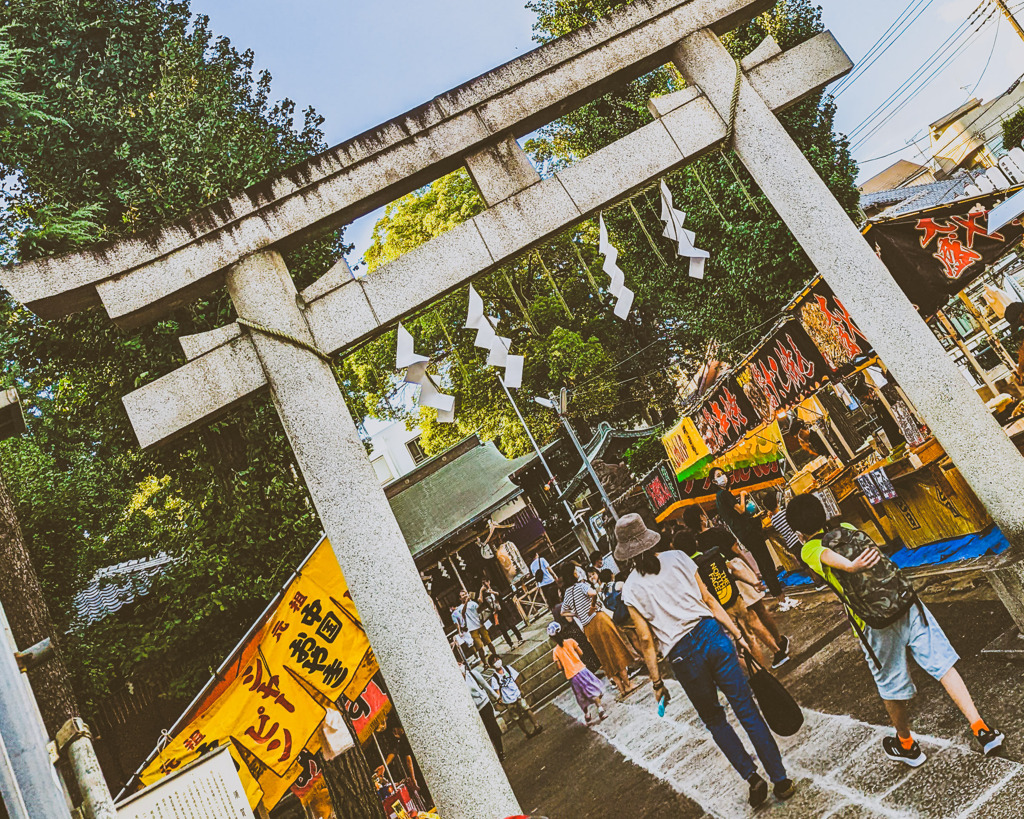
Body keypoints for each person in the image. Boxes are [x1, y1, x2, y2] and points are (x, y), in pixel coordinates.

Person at [786, 493, 1005, 764]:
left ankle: (906, 744)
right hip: (905, 602)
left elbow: (826, 555)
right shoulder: (848, 529)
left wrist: (850, 567)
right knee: (942, 664)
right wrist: (854, 563)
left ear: (798, 530)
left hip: (873, 624)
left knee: (890, 682)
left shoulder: (808, 549)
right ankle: (981, 729)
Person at [615, 513, 796, 808]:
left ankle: (752, 777)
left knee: (714, 720)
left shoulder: (632, 588)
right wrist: (736, 632)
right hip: (711, 633)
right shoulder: (677, 558)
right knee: (746, 708)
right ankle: (781, 780)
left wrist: (656, 681)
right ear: (648, 536)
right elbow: (710, 600)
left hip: (682, 655)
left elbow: (646, 640)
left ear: (625, 553)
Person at [685, 505, 792, 668]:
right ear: (701, 518)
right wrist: (752, 570)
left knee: (745, 626)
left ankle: (761, 663)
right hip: (737, 569)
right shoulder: (719, 532)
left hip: (722, 581)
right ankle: (778, 644)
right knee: (759, 612)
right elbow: (737, 551)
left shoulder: (696, 545)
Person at [560, 563, 638, 699]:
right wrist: (591, 606)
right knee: (616, 649)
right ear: (573, 573)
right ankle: (628, 684)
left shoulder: (567, 593)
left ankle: (621, 688)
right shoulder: (581, 586)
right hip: (599, 620)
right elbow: (593, 593)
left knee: (604, 656)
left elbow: (564, 613)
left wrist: (578, 613)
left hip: (588, 628)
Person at [711, 467, 784, 598]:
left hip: (743, 534)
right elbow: (741, 510)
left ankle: (776, 593)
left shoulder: (719, 498)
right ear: (714, 481)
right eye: (718, 475)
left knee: (762, 562)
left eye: (722, 474)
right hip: (749, 532)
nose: (722, 476)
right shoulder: (724, 495)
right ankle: (779, 594)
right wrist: (742, 495)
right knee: (766, 561)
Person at [549, 622, 607, 725]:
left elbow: (559, 667)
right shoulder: (571, 641)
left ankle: (587, 714)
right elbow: (581, 653)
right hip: (582, 669)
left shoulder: (555, 651)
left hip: (572, 675)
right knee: (591, 688)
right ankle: (600, 708)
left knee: (580, 695)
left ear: (552, 639)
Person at [488, 655, 543, 738]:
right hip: (508, 700)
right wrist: (499, 699)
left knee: (527, 709)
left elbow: (516, 679)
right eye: (494, 661)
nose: (497, 662)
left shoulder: (507, 668)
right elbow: (497, 690)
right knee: (517, 718)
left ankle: (536, 726)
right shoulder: (495, 678)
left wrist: (520, 689)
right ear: (492, 666)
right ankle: (527, 733)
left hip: (517, 695)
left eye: (497, 659)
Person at [459, 660, 504, 760]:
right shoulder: (457, 682)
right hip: (474, 710)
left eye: (459, 664)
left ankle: (500, 750)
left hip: (484, 704)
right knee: (485, 731)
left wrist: (496, 697)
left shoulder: (473, 674)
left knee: (492, 726)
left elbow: (485, 686)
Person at [452, 589, 496, 665]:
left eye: (465, 594)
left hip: (480, 625)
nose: (465, 596)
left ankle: (495, 656)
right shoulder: (459, 608)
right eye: (462, 595)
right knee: (480, 647)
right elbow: (463, 613)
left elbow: (478, 610)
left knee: (489, 642)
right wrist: (466, 602)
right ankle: (485, 664)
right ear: (460, 598)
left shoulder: (473, 603)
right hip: (472, 629)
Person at [479, 578, 523, 650]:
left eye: (485, 582)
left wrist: (493, 592)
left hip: (502, 609)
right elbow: (480, 601)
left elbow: (501, 595)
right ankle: (510, 644)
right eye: (483, 583)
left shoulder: (494, 588)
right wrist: (481, 591)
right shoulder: (484, 594)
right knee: (503, 629)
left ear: (489, 582)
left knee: (510, 624)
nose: (485, 584)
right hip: (495, 613)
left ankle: (519, 638)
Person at [530, 548, 560, 612]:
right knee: (557, 596)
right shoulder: (542, 560)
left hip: (542, 585)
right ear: (536, 554)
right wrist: (555, 576)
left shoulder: (531, 566)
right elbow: (549, 569)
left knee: (550, 600)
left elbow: (535, 575)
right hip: (550, 581)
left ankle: (555, 612)